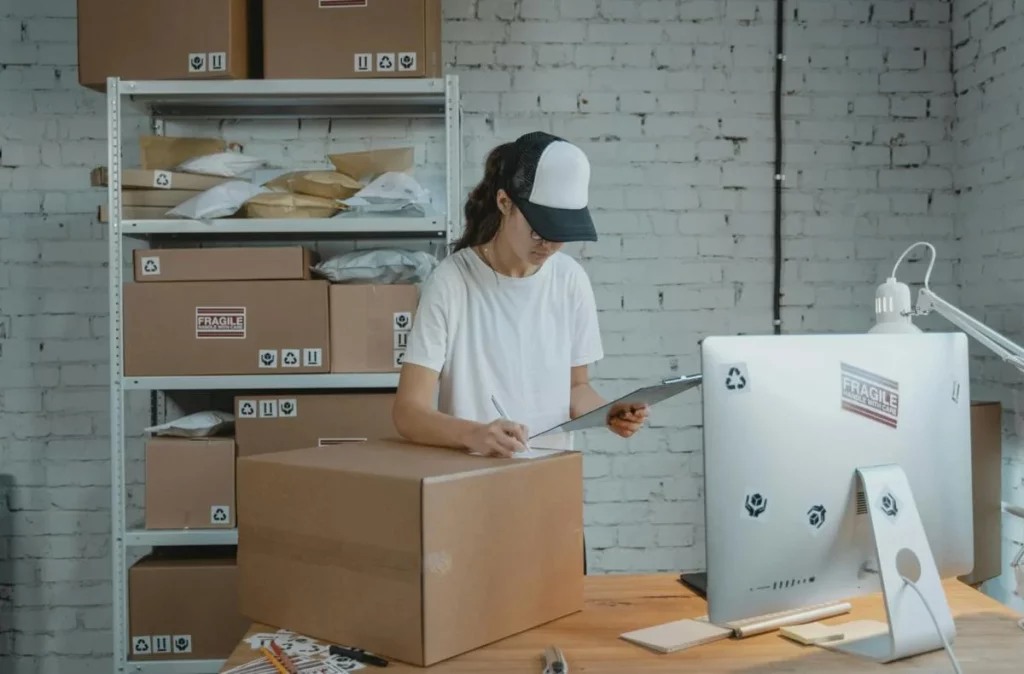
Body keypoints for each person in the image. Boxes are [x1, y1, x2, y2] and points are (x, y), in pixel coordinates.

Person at [393, 131, 649, 457]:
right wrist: (475, 434)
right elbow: (408, 412)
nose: (549, 245)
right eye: (539, 229)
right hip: (471, 479)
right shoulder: (451, 282)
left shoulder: (570, 280)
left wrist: (608, 412)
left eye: (561, 234)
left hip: (549, 476)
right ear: (504, 203)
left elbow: (575, 388)